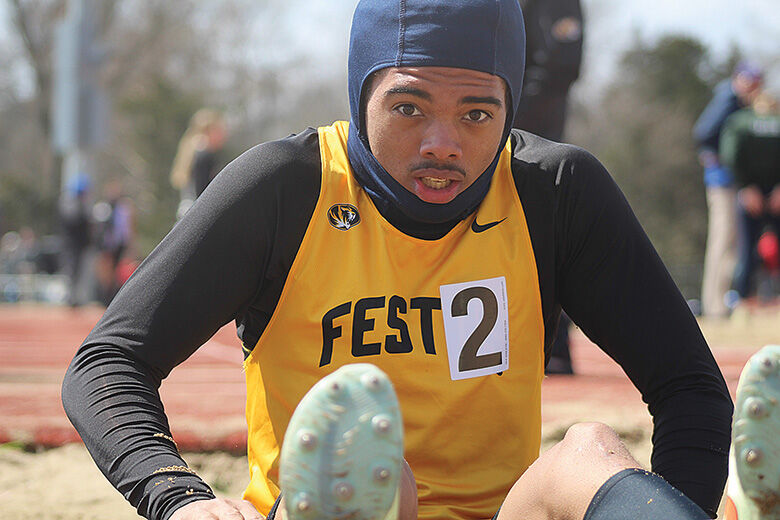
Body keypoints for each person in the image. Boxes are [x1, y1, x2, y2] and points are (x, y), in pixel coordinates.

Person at [62, 1, 734, 519]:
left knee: (587, 447)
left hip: (502, 511)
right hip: (328, 509)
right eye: (409, 106)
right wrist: (179, 497)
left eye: (478, 114)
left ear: (510, 108)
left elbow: (689, 386)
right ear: (362, 94)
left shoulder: (553, 192)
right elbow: (109, 364)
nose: (443, 143)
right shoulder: (284, 189)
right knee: (374, 468)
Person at [513, 0, 584, 374]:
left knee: (542, 227)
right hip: (506, 118)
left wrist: (512, 102)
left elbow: (564, 61)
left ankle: (555, 347)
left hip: (531, 127)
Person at [693, 61, 764, 317]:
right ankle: (715, 306)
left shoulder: (740, 103)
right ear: (739, 79)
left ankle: (720, 303)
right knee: (723, 241)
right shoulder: (727, 100)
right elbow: (703, 133)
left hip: (731, 180)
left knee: (731, 242)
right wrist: (719, 157)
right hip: (722, 182)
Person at [719, 91, 780, 303]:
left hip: (750, 192)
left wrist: (745, 186)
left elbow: (730, 155)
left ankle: (744, 301)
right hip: (773, 193)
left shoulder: (739, 123)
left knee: (745, 249)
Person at [170, 108, 228, 219]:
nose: (224, 135)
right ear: (209, 131)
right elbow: (202, 192)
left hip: (187, 212)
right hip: (197, 215)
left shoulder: (194, 151)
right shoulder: (204, 155)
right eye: (220, 130)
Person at [59, 173, 93, 307]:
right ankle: (70, 297)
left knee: (78, 272)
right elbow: (74, 222)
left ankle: (75, 297)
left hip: (80, 246)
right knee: (71, 271)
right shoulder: (70, 205)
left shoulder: (81, 205)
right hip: (71, 246)